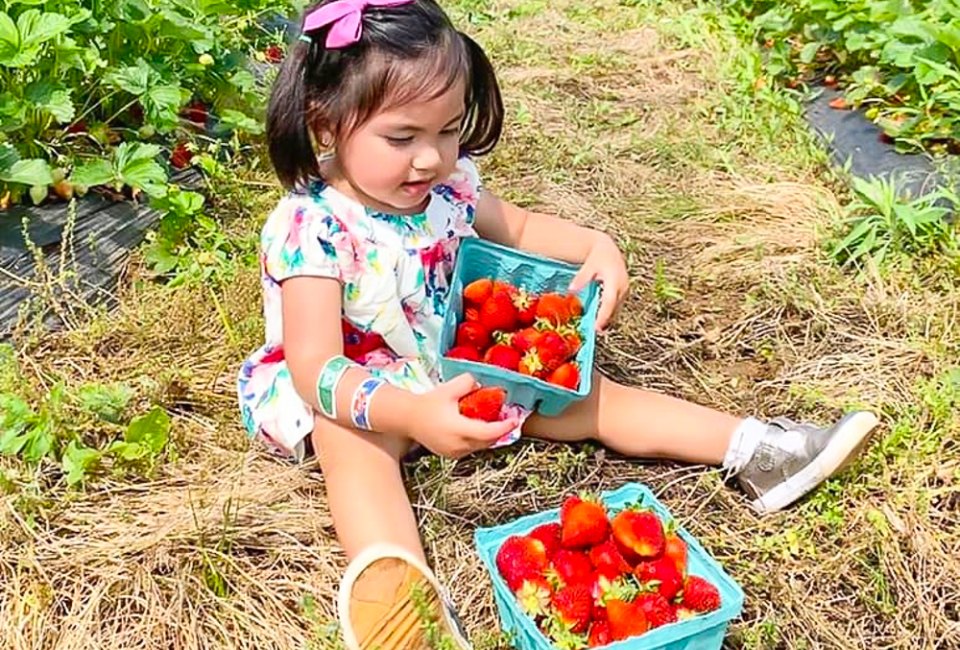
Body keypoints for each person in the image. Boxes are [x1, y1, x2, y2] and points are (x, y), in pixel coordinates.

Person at [236, 0, 879, 646]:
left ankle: (760, 451)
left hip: (459, 362)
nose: (431, 159)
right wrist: (413, 416)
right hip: (365, 387)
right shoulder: (313, 227)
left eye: (448, 131)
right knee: (352, 447)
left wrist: (594, 244)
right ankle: (407, 604)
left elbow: (516, 226)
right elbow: (315, 366)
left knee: (589, 396)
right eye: (402, 138)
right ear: (325, 122)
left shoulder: (448, 187)